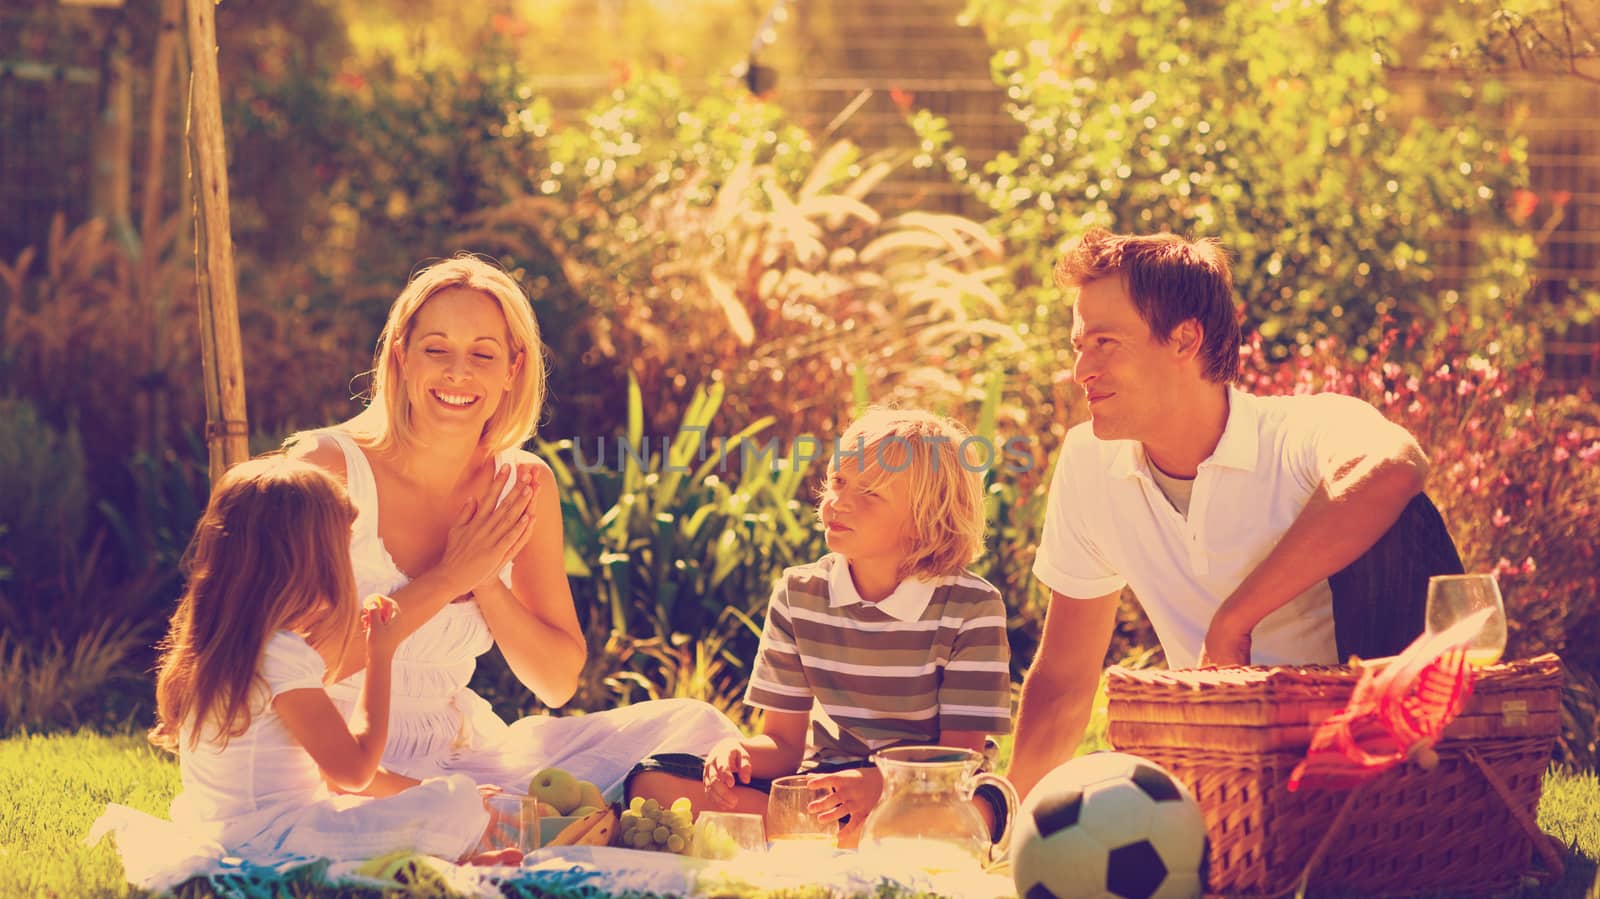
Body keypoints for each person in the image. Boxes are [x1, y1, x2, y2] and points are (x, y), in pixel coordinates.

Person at [1006, 229, 1456, 801]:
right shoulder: (1089, 462)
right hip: (1214, 772)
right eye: (1079, 345)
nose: (1081, 370)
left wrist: (1234, 620)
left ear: (1184, 339)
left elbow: (1396, 466)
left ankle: (1420, 807)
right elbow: (1066, 680)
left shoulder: (1298, 433)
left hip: (1356, 766)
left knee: (1405, 519)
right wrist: (1006, 817)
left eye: (1106, 342)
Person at [289, 254, 739, 799]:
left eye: (483, 354)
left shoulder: (522, 484)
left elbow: (555, 682)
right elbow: (293, 666)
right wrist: (450, 577)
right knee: (482, 818)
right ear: (402, 358)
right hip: (333, 754)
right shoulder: (327, 467)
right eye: (437, 350)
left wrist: (486, 583)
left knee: (691, 725)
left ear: (512, 370)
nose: (459, 373)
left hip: (459, 752)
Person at [626, 409, 1014, 847]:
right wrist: (736, 755)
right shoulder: (800, 593)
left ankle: (830, 834)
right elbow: (782, 744)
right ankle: (852, 837)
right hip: (827, 785)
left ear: (927, 517)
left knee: (980, 805)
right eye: (838, 482)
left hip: (931, 789)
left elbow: (959, 758)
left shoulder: (973, 607)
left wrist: (882, 785)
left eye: (869, 492)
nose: (838, 502)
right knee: (653, 782)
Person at [147, 457, 500, 864]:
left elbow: (330, 775)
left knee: (445, 798)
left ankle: (448, 860)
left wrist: (422, 789)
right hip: (280, 844)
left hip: (239, 834)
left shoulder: (218, 650)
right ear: (308, 563)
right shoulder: (280, 657)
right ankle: (441, 858)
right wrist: (380, 651)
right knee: (453, 804)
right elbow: (354, 772)